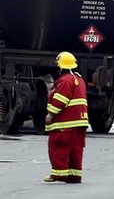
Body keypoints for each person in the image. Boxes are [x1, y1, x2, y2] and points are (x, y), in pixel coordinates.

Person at [43, 51, 89, 183]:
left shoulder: (64, 81)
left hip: (65, 123)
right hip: (80, 122)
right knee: (76, 149)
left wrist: (50, 114)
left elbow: (60, 100)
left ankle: (59, 174)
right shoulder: (79, 79)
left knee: (58, 148)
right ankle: (75, 176)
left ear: (61, 66)